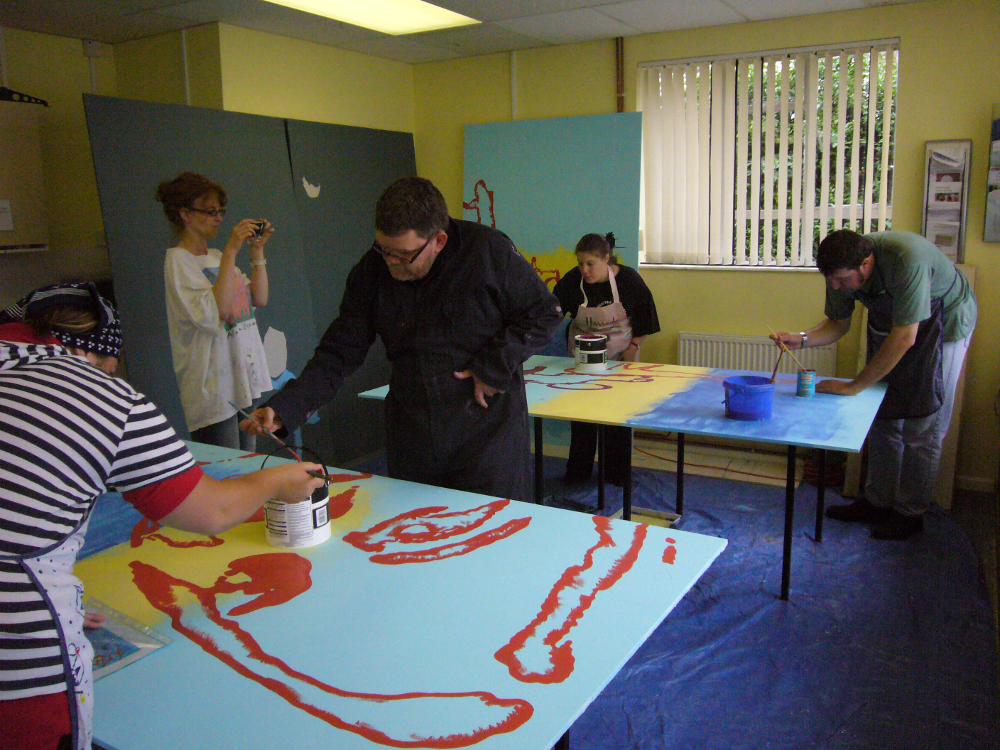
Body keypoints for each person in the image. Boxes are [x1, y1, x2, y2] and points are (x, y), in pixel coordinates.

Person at [0, 282, 325, 750]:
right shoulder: (100, 398)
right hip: (20, 671)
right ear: (91, 353)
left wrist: (60, 600)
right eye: (112, 367)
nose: (113, 376)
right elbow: (211, 510)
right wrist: (279, 481)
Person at [242, 177, 563, 503]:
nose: (391, 261)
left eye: (404, 254)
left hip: (488, 430)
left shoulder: (488, 252)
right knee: (416, 531)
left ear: (439, 240)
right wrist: (286, 407)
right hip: (414, 429)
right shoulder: (371, 270)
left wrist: (493, 364)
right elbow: (339, 352)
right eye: (384, 249)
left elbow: (545, 312)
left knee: (494, 531)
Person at [772, 229, 976, 540]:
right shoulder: (839, 268)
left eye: (842, 281)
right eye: (832, 281)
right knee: (881, 417)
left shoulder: (908, 261)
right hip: (898, 326)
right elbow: (838, 324)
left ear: (866, 264)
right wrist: (799, 340)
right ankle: (877, 502)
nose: (837, 287)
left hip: (945, 326)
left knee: (922, 426)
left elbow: (906, 338)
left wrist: (854, 386)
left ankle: (910, 513)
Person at [156, 172, 273, 450]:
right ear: (185, 213)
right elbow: (218, 312)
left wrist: (256, 253)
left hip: (243, 377)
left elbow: (259, 298)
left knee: (250, 465)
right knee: (228, 471)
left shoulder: (217, 257)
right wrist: (232, 251)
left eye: (220, 211)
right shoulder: (178, 262)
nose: (219, 218)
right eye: (210, 212)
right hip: (212, 389)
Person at [552, 232, 660, 485]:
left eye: (591, 264)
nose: (585, 270)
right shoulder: (572, 281)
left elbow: (646, 317)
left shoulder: (629, 280)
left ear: (607, 259)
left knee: (616, 415)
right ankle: (578, 473)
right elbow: (553, 310)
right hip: (582, 360)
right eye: (581, 264)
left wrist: (634, 346)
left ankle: (617, 475)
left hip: (621, 357)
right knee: (582, 417)